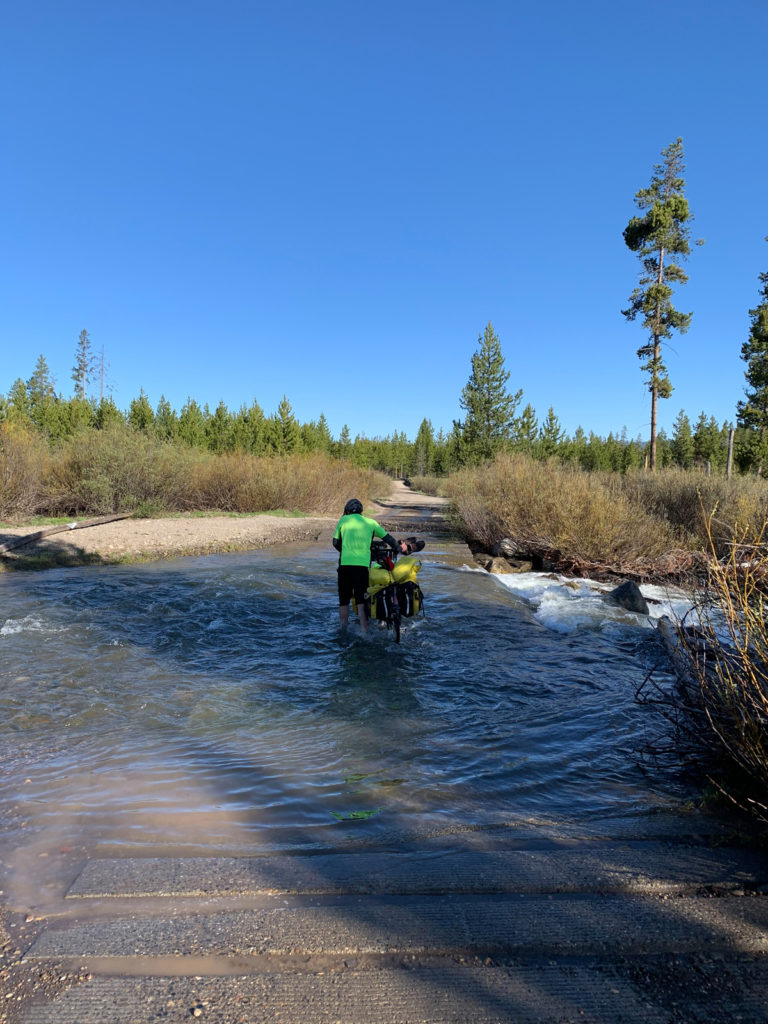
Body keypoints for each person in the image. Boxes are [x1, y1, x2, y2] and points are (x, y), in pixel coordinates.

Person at [332, 498, 406, 632]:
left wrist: (346, 552)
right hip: (361, 566)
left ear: (347, 511)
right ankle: (364, 631)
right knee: (361, 599)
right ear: (361, 511)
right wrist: (399, 548)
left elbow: (335, 542)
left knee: (344, 599)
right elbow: (388, 538)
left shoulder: (343, 520)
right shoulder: (371, 522)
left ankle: (343, 629)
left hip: (345, 565)